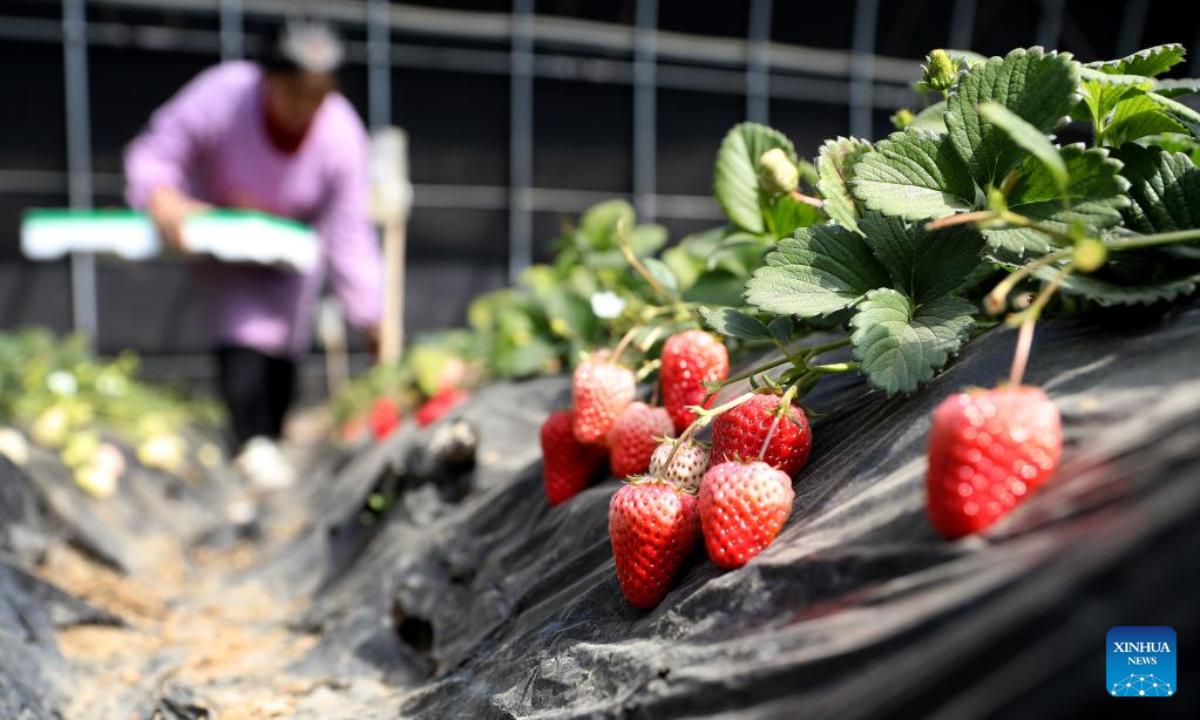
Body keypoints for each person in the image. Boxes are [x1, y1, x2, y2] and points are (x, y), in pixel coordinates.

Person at [124, 22, 382, 488]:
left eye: (316, 96)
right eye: (293, 93)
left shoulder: (342, 134)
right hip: (223, 248)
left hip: (291, 259)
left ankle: (266, 465)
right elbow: (156, 151)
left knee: (281, 358)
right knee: (242, 343)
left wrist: (370, 314)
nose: (303, 108)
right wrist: (161, 195)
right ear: (267, 79)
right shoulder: (224, 94)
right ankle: (249, 452)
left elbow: (349, 233)